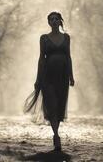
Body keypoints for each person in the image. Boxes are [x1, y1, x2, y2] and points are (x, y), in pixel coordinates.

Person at [24, 11, 75, 151]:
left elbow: (68, 57)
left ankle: (55, 132)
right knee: (51, 105)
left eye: (56, 19)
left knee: (59, 106)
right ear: (48, 22)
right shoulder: (44, 38)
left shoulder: (66, 38)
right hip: (48, 76)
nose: (53, 21)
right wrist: (38, 78)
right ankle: (56, 136)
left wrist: (71, 76)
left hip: (63, 76)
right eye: (51, 19)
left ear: (60, 21)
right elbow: (41, 58)